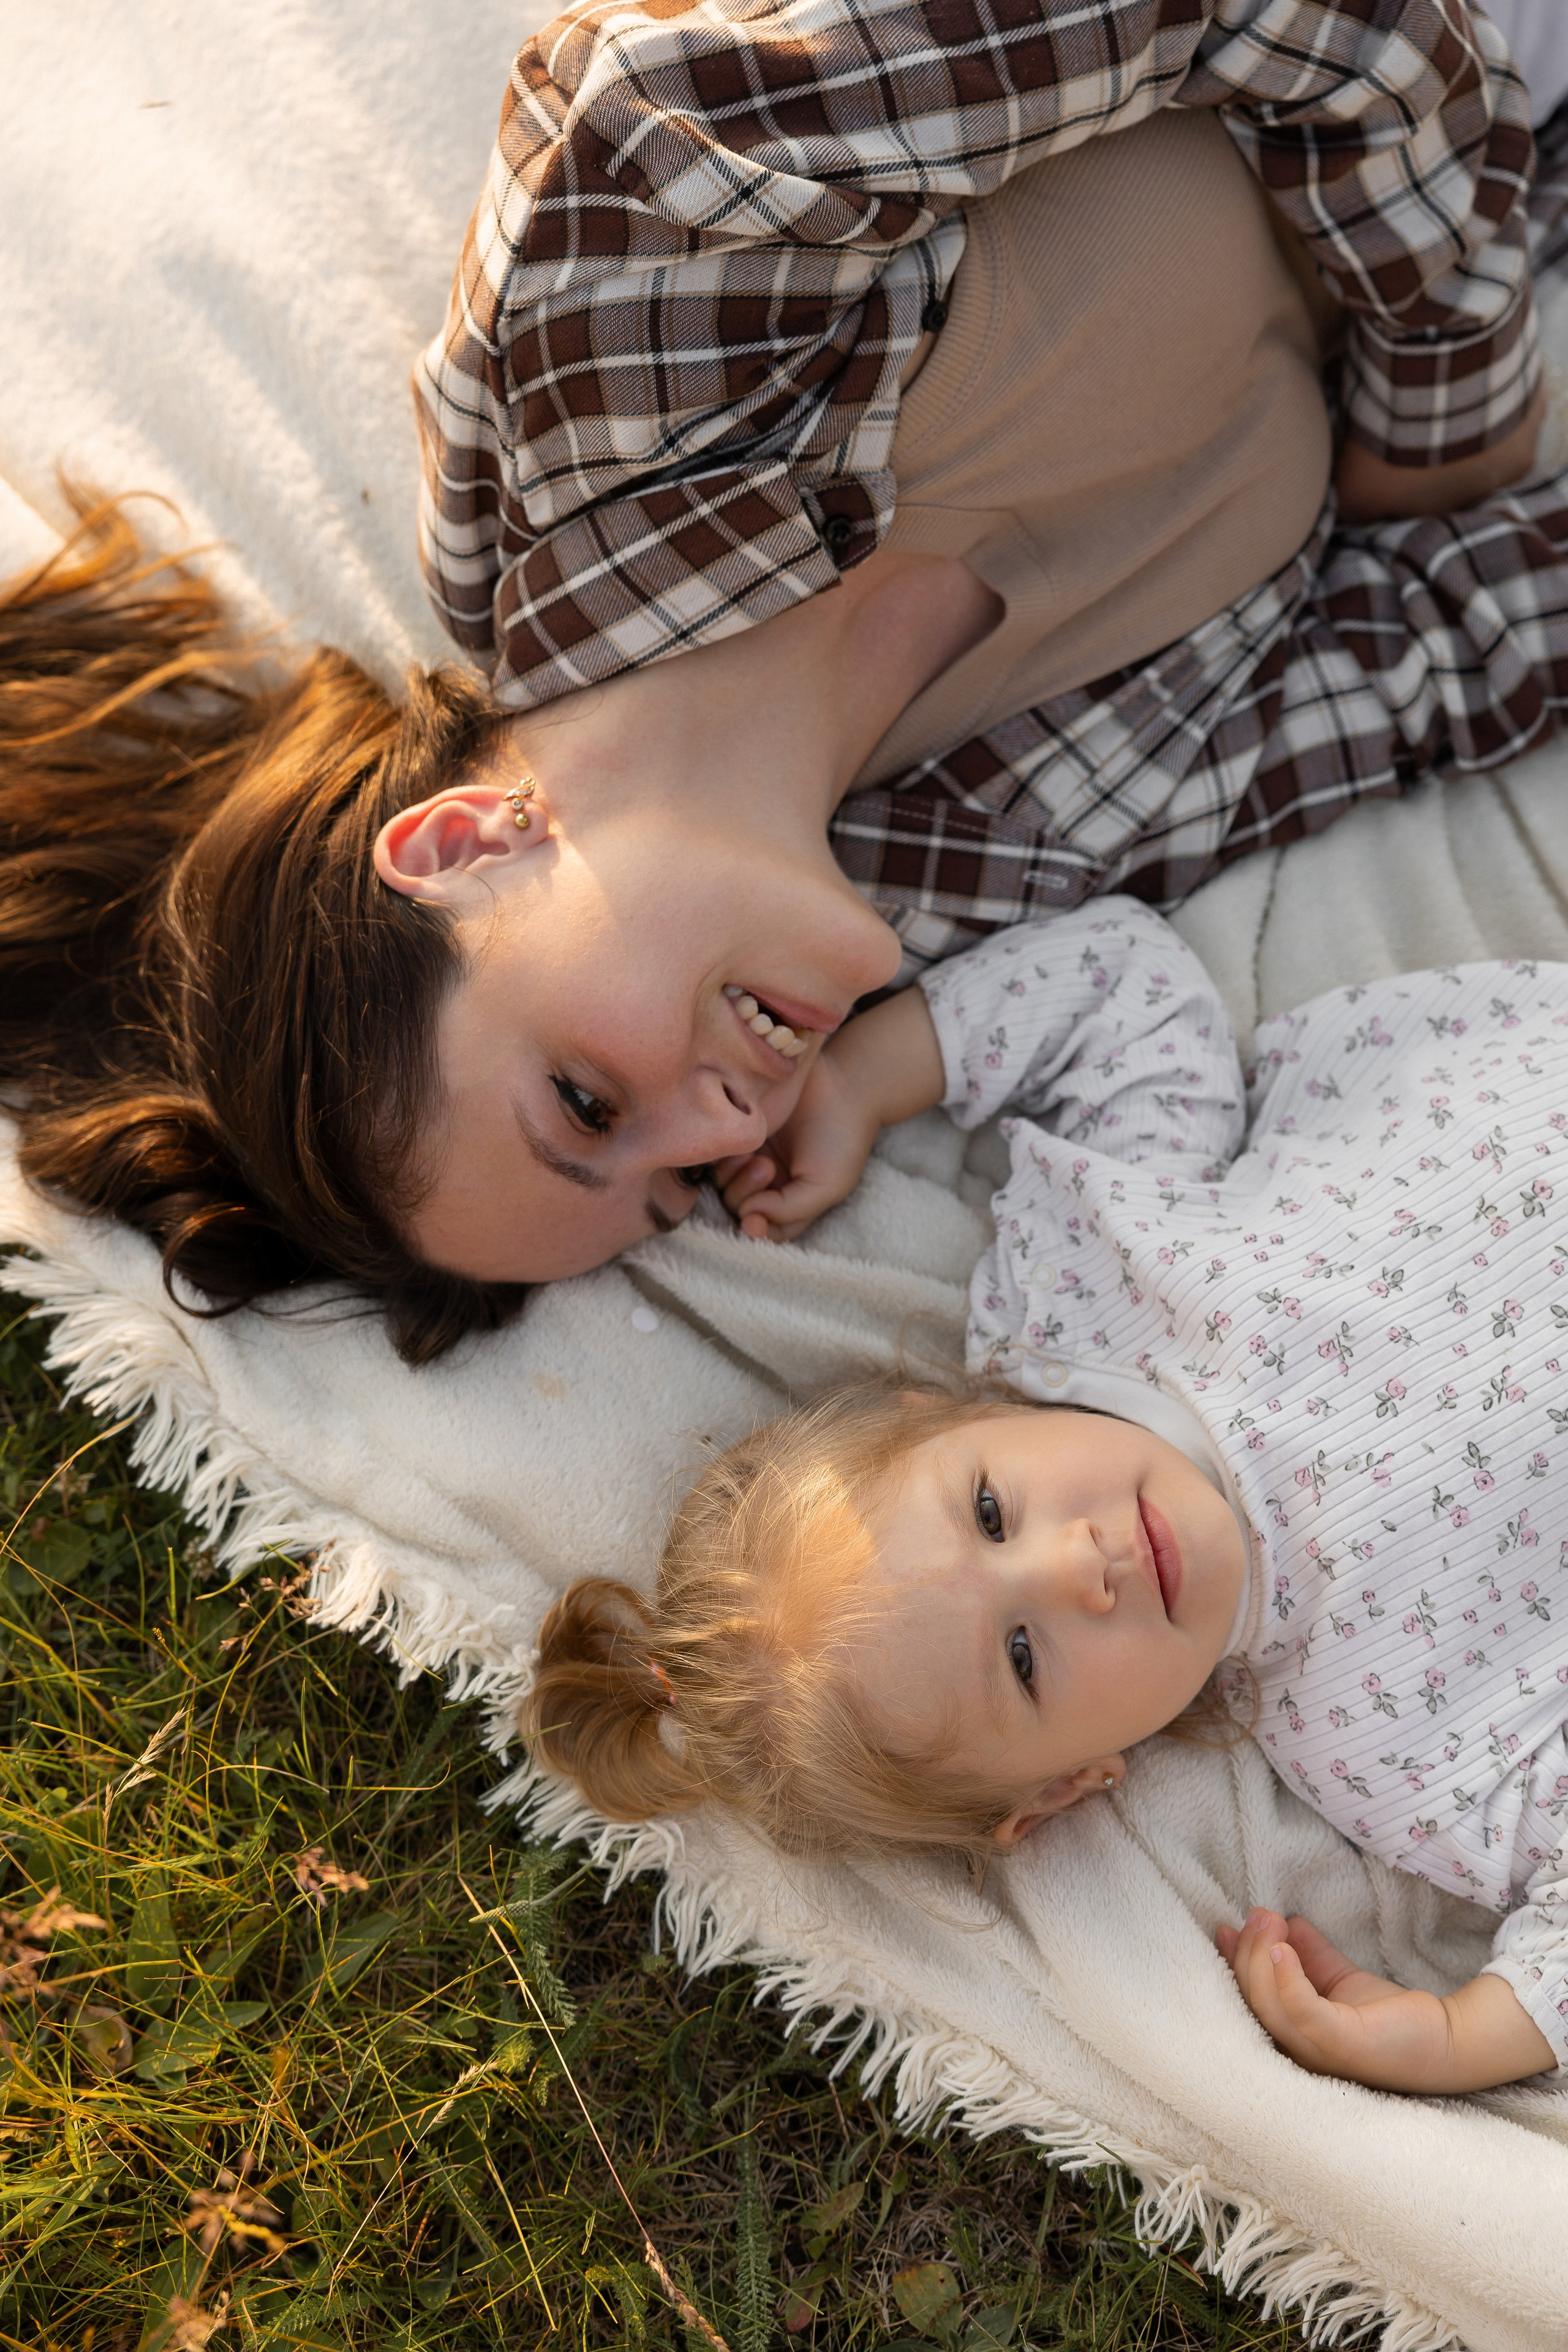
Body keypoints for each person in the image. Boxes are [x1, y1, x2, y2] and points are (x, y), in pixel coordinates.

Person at [7, 15, 1568, 1358]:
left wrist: (1443, 399)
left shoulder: (616, 345)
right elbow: (1453, 644)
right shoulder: (992, 858)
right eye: (679, 1186)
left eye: (589, 1107)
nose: (729, 1125)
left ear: (465, 844)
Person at [526, 899, 1568, 2094]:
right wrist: (1464, 2036)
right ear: (1066, 1787)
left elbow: (1121, 992)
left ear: (948, 1415)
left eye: (989, 1512)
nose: (1079, 1565)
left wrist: (865, 1078)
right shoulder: (1384, 1734)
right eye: (1023, 1657)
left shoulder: (1103, 1285)